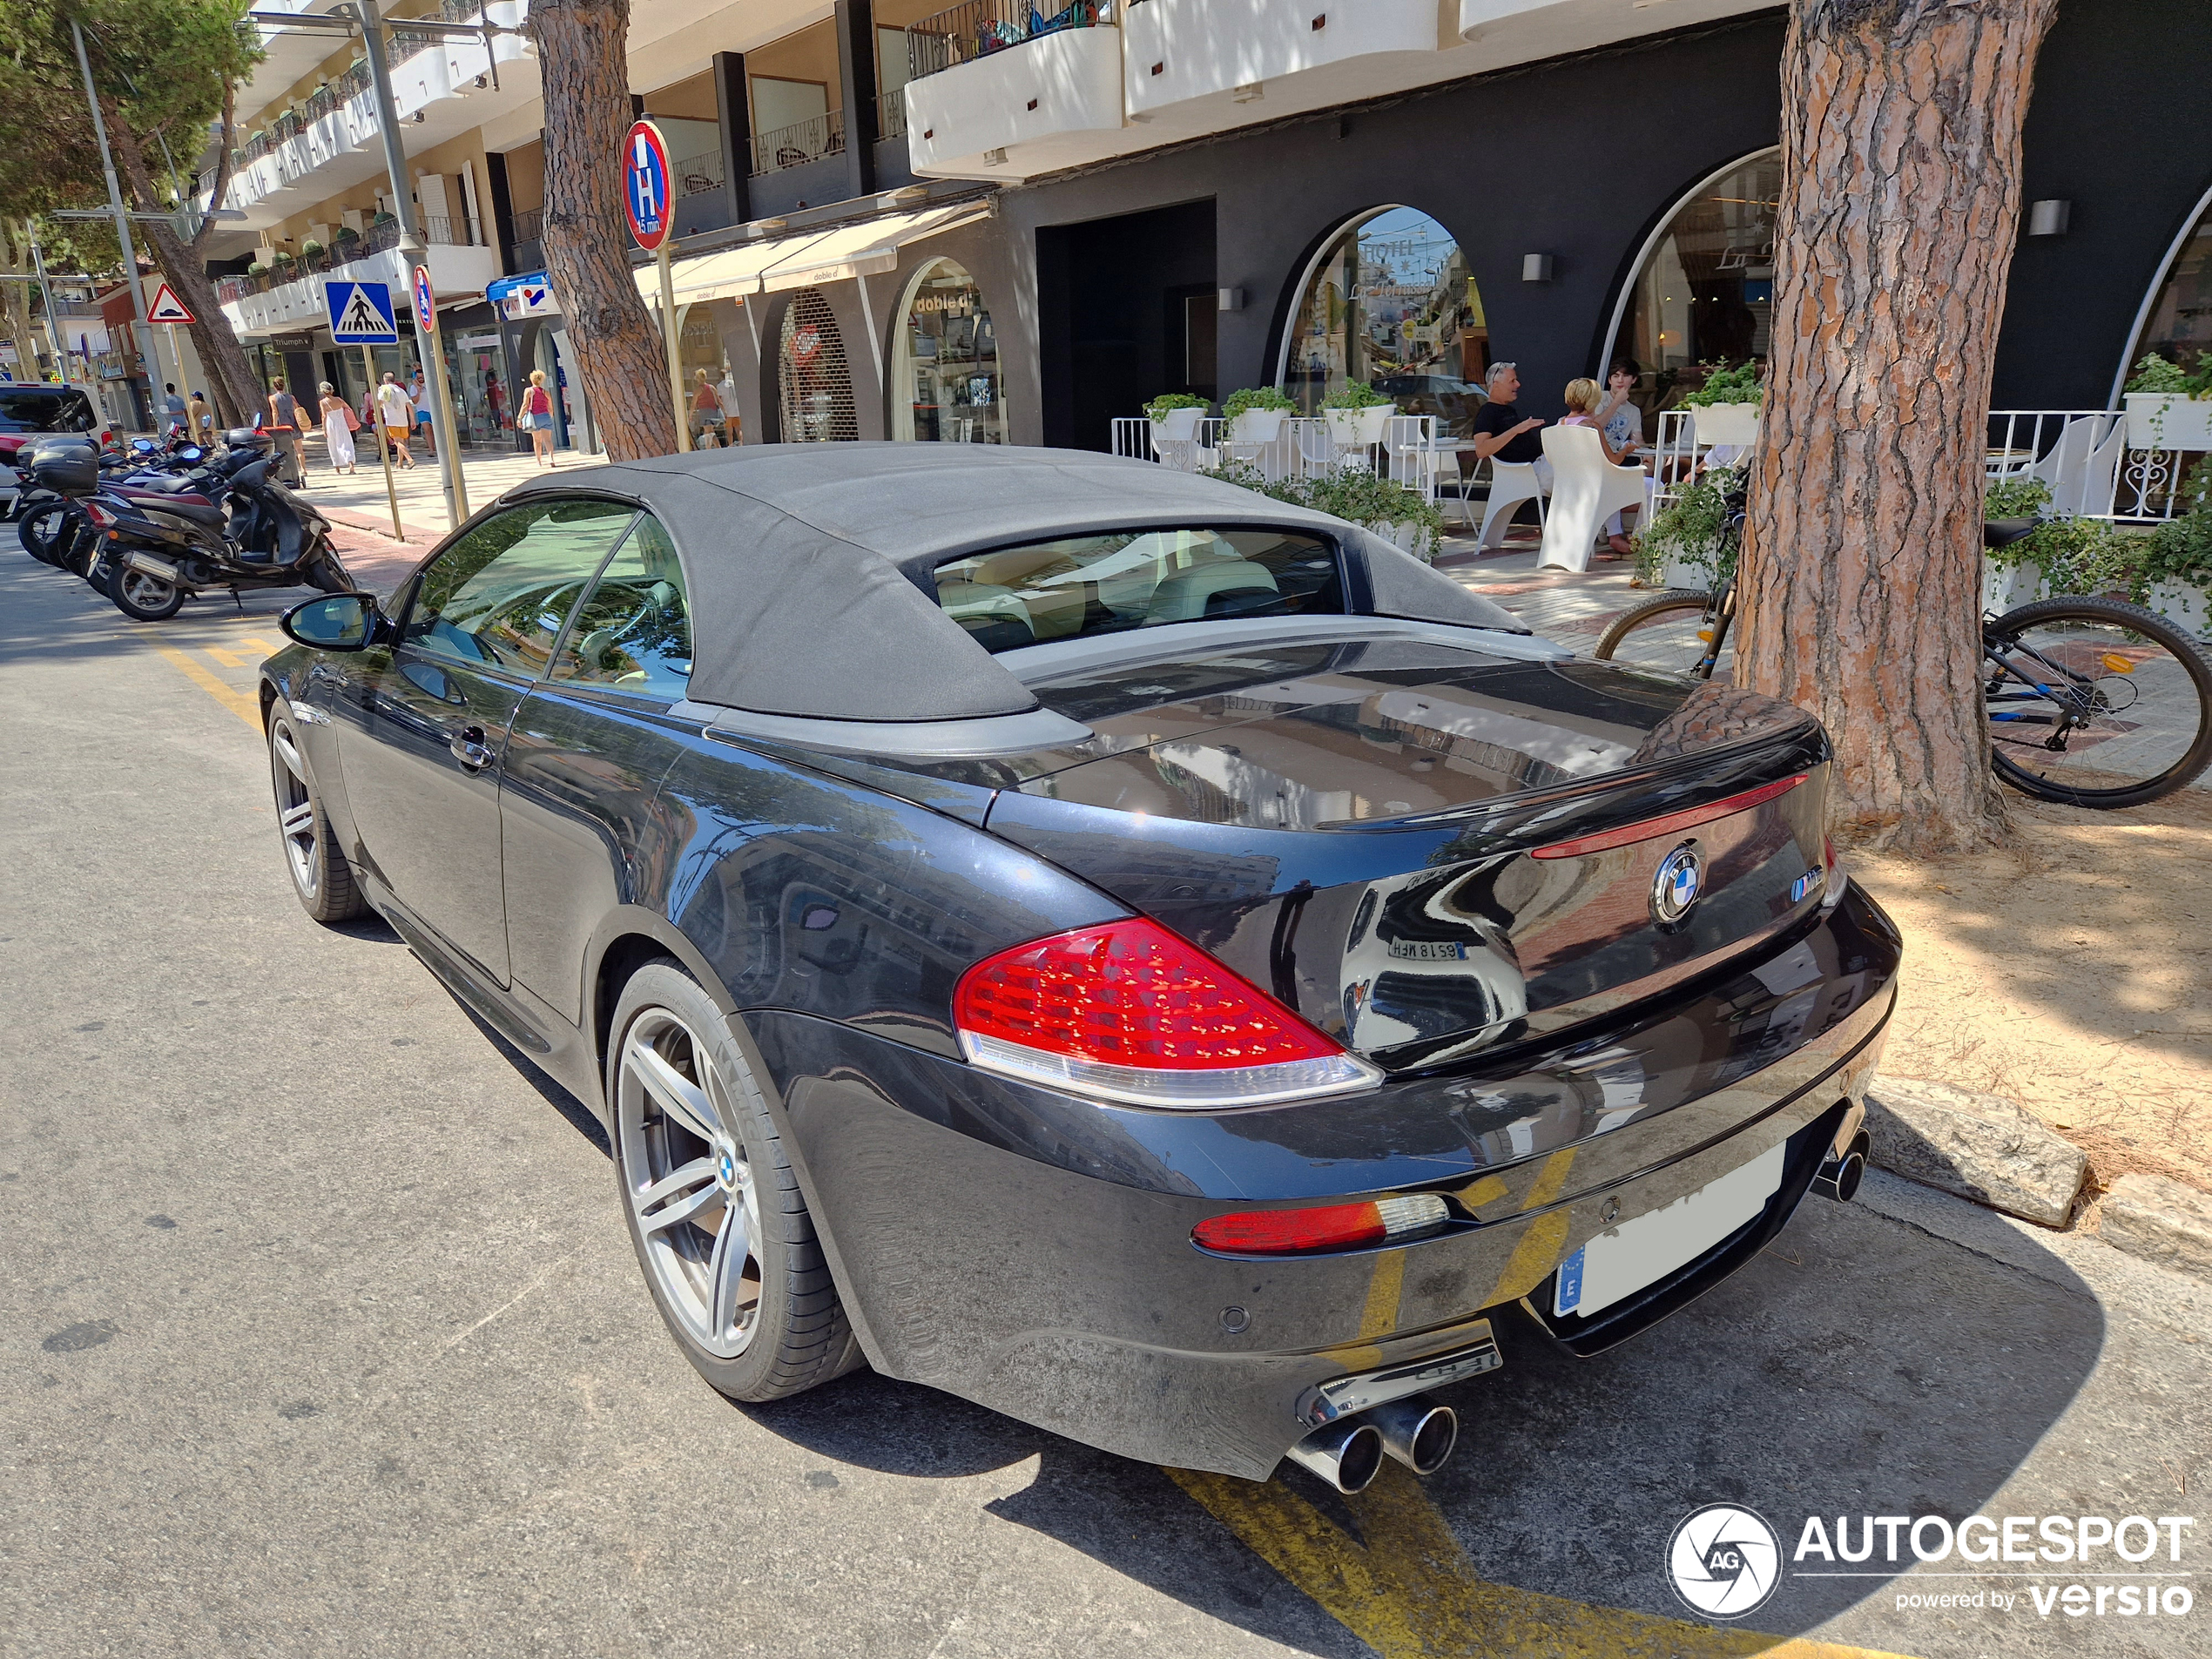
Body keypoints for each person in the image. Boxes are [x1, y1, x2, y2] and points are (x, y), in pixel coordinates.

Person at [1559, 376, 1642, 557]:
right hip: (1598, 489)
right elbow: (1613, 461)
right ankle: (1639, 537)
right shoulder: (1592, 428)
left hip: (1572, 488)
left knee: (1607, 480)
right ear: (1592, 402)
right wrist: (1625, 450)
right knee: (1655, 487)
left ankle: (1615, 535)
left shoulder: (1560, 425)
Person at [1467, 361, 1550, 533]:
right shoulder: (1487, 414)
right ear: (1496, 383)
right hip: (1525, 473)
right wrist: (1516, 429)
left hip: (1537, 467)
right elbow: (1481, 450)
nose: (1518, 385)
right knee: (1576, 477)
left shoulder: (1508, 410)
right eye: (1512, 381)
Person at [265, 375, 307, 487]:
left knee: (284, 448)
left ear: (274, 386)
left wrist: (275, 426)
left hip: (283, 425)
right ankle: (303, 469)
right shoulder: (291, 397)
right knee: (299, 449)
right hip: (294, 424)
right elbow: (297, 409)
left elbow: (275, 412)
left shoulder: (272, 398)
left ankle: (285, 472)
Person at [374, 372, 416, 469]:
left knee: (397, 442)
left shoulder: (384, 390)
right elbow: (409, 406)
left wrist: (376, 414)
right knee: (401, 441)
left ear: (385, 380)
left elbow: (379, 402)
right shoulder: (401, 391)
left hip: (392, 419)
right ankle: (399, 463)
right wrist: (413, 420)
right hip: (403, 420)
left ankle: (409, 459)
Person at [318, 381, 358, 475]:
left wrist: (323, 429)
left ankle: (337, 469)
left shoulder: (323, 402)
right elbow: (347, 408)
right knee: (346, 443)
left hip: (331, 424)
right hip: (342, 423)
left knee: (333, 444)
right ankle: (351, 465)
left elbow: (324, 416)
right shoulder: (339, 400)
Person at [519, 368, 556, 467]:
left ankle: (539, 462)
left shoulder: (528, 391)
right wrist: (550, 416)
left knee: (537, 441)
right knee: (547, 440)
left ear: (532, 379)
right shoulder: (546, 392)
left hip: (534, 418)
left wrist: (519, 418)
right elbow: (551, 408)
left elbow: (525, 405)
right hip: (545, 416)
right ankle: (551, 459)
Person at [690, 368, 723, 448]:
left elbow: (693, 404)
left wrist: (690, 415)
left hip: (704, 412)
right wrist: (724, 411)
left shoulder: (698, 390)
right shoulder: (712, 387)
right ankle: (711, 448)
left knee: (709, 431)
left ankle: (716, 447)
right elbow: (719, 401)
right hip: (713, 410)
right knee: (709, 431)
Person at [408, 369, 435, 457]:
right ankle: (431, 450)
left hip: (433, 410)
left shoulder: (430, 384)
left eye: (422, 377)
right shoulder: (413, 387)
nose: (421, 379)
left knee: (435, 430)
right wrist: (419, 391)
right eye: (419, 377)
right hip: (422, 410)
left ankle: (437, 447)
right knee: (427, 430)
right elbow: (415, 401)